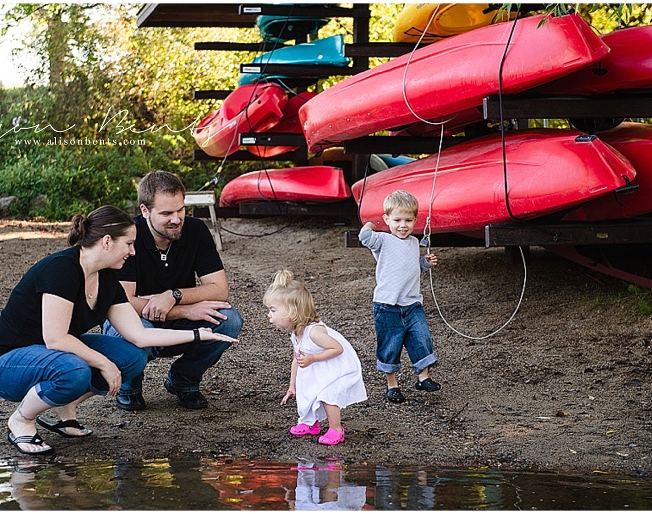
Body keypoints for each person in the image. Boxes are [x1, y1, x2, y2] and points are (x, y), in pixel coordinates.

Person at [0, 206, 238, 455]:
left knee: (132, 356)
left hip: (53, 354)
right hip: (8, 363)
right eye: (128, 244)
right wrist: (104, 363)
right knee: (75, 369)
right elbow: (56, 337)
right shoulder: (61, 269)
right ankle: (21, 420)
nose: (133, 252)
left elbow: (140, 335)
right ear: (106, 241)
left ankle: (66, 408)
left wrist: (198, 334)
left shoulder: (106, 279)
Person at [102, 170, 243, 410]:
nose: (176, 219)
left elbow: (219, 289)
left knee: (229, 319)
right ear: (145, 211)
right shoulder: (128, 237)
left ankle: (183, 381)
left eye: (180, 210)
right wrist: (185, 311)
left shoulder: (196, 230)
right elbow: (122, 302)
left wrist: (173, 296)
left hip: (168, 318)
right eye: (166, 213)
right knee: (133, 330)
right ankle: (129, 386)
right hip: (134, 321)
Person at [264, 270, 367, 446]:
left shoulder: (314, 332)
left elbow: (337, 348)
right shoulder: (296, 333)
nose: (269, 315)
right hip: (319, 365)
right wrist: (292, 385)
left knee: (328, 395)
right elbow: (297, 358)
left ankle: (336, 429)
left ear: (293, 312)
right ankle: (310, 424)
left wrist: (312, 358)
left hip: (338, 367)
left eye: (273, 310)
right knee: (306, 391)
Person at [359, 189, 441, 404]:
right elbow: (364, 236)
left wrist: (425, 263)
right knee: (390, 344)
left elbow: (411, 267)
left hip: (412, 303)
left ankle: (423, 378)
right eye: (397, 220)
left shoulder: (414, 242)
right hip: (387, 306)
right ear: (387, 219)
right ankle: (392, 385)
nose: (402, 225)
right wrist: (371, 224)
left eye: (408, 220)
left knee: (421, 338)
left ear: (415, 220)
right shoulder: (383, 240)